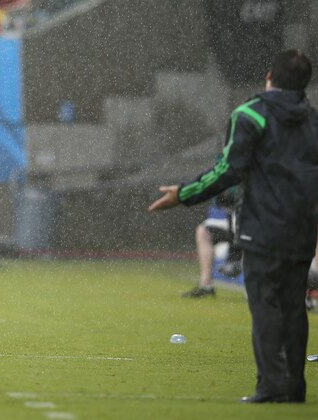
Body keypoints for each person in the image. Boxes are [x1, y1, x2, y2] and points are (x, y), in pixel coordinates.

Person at [148, 50, 317, 403]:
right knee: (292, 307)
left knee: (266, 306)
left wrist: (184, 194)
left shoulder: (250, 114)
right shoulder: (312, 119)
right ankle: (294, 387)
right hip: (303, 227)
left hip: (263, 226)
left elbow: (229, 170)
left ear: (269, 76)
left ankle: (271, 385)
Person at [182, 188, 242, 298]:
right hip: (232, 222)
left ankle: (255, 288)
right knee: (203, 232)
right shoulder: (224, 174)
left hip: (252, 224)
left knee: (249, 233)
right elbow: (220, 200)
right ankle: (206, 285)